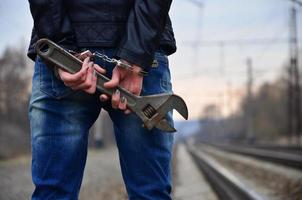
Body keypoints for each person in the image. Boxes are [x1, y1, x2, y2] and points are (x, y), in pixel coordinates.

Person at [27, 0, 176, 199]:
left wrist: (61, 47)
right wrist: (136, 53)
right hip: (144, 53)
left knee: (53, 193)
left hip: (62, 44)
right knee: (150, 193)